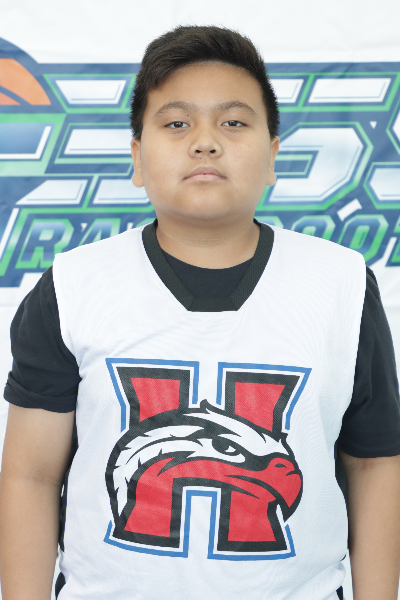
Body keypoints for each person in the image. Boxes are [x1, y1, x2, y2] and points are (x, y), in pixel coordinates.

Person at [1, 25, 400, 600]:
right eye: (176, 124)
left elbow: (373, 463)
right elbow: (30, 476)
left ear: (273, 156)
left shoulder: (341, 284)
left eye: (233, 123)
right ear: (137, 157)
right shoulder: (73, 285)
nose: (205, 142)